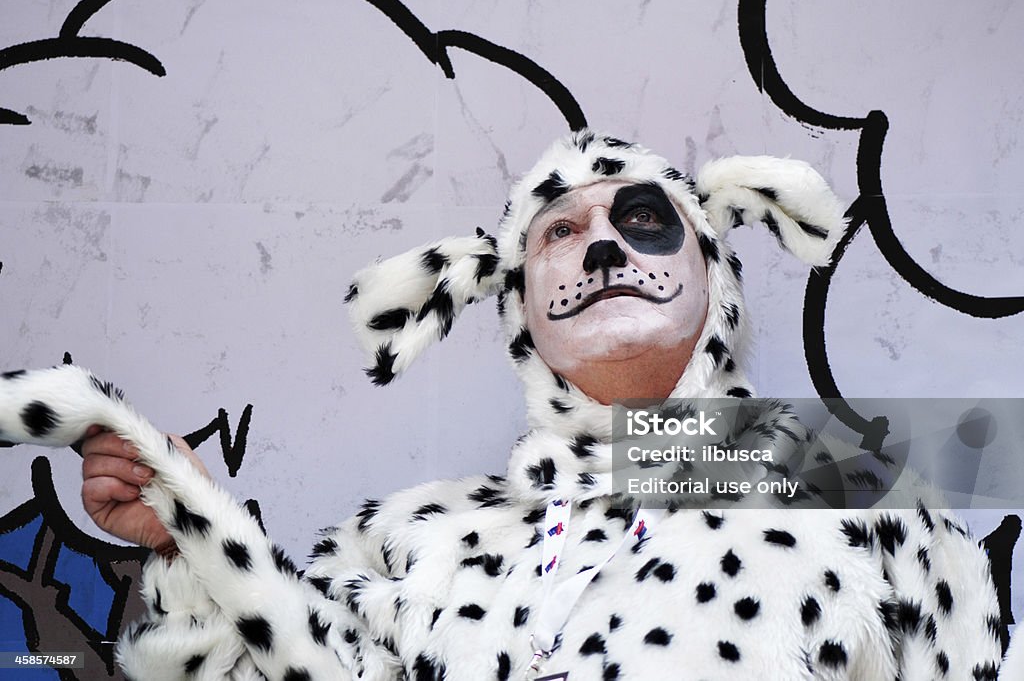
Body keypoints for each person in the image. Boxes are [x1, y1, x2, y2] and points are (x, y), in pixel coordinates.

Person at [1, 131, 1011, 679]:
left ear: (715, 267)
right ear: (515, 303)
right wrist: (185, 528)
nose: (604, 246)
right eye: (560, 230)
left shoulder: (858, 484)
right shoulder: (409, 535)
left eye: (644, 217)